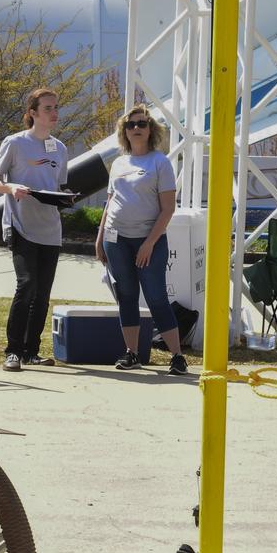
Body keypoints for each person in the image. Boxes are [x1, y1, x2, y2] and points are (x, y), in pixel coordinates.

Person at [94, 105, 186, 376]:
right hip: (116, 239)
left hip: (149, 240)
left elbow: (168, 209)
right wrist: (100, 239)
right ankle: (132, 354)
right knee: (126, 296)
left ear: (150, 130)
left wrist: (148, 244)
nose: (136, 128)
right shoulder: (119, 163)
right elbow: (110, 202)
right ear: (124, 131)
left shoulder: (160, 162)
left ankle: (177, 356)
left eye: (141, 124)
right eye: (130, 125)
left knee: (157, 297)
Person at [0, 87, 69, 371]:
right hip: (21, 226)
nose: (54, 112)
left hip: (50, 230)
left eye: (56, 107)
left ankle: (31, 351)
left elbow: (58, 186)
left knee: (43, 293)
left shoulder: (60, 149)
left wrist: (67, 196)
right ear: (32, 113)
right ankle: (12, 351)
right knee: (27, 284)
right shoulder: (15, 143)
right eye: (47, 108)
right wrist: (10, 187)